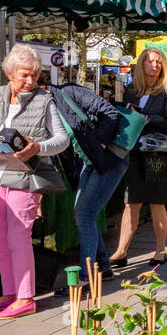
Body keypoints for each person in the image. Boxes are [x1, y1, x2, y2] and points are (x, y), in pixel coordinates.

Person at [0, 45, 70, 320]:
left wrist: (37, 147)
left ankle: (26, 296)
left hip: (25, 178)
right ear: (9, 73)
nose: (30, 81)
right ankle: (8, 292)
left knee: (18, 237)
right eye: (24, 75)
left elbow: (62, 140)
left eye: (34, 75)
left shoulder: (44, 101)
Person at [47, 81, 128, 291]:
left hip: (110, 159)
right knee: (84, 213)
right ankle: (103, 266)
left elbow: (109, 112)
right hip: (90, 162)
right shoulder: (46, 109)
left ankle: (87, 277)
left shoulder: (68, 92)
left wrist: (99, 144)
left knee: (84, 214)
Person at [112, 47, 167, 267]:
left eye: (159, 62)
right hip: (134, 151)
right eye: (150, 61)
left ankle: (160, 250)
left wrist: (146, 118)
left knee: (156, 202)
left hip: (158, 153)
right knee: (131, 202)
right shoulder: (131, 90)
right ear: (142, 64)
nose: (155, 65)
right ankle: (121, 251)